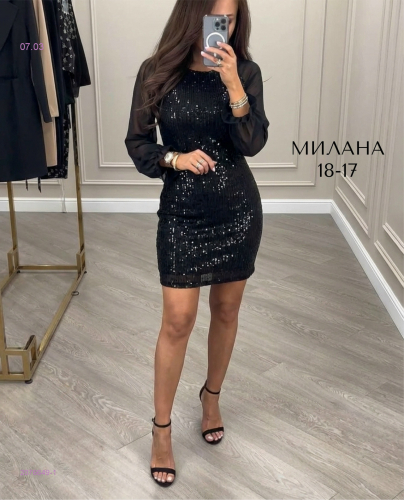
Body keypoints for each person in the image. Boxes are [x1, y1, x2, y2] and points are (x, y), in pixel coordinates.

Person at [125, 0, 269, 487]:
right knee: (177, 320)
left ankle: (211, 397)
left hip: (237, 210)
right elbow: (138, 143)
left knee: (226, 311)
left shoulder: (245, 72)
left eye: (230, 18)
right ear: (193, 14)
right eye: (215, 16)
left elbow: (251, 143)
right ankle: (161, 429)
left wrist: (233, 86)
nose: (221, 27)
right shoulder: (156, 72)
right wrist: (175, 158)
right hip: (183, 213)